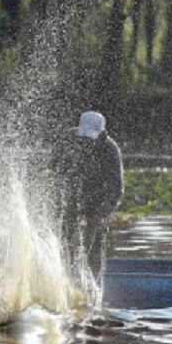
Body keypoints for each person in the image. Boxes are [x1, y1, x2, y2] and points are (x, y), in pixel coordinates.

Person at [53, 111, 124, 283]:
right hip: (72, 192)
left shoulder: (110, 149)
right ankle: (65, 278)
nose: (86, 142)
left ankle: (94, 282)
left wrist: (103, 211)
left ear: (101, 134)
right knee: (64, 239)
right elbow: (54, 167)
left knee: (94, 245)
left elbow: (116, 187)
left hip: (97, 198)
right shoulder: (68, 139)